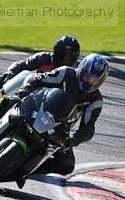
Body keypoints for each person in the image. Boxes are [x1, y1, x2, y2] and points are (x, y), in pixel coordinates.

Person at [15, 53, 109, 184]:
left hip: (59, 128)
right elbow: (39, 78)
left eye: (95, 80)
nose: (89, 82)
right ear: (81, 69)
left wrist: (74, 140)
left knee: (66, 164)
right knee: (10, 103)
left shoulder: (95, 100)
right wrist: (26, 90)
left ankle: (25, 171)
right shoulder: (65, 73)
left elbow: (88, 127)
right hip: (37, 107)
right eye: (88, 76)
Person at [0, 34, 81, 113]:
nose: (64, 60)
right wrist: (9, 74)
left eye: (69, 57)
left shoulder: (74, 72)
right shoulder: (44, 58)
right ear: (55, 52)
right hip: (29, 91)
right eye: (62, 54)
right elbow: (21, 65)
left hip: (50, 104)